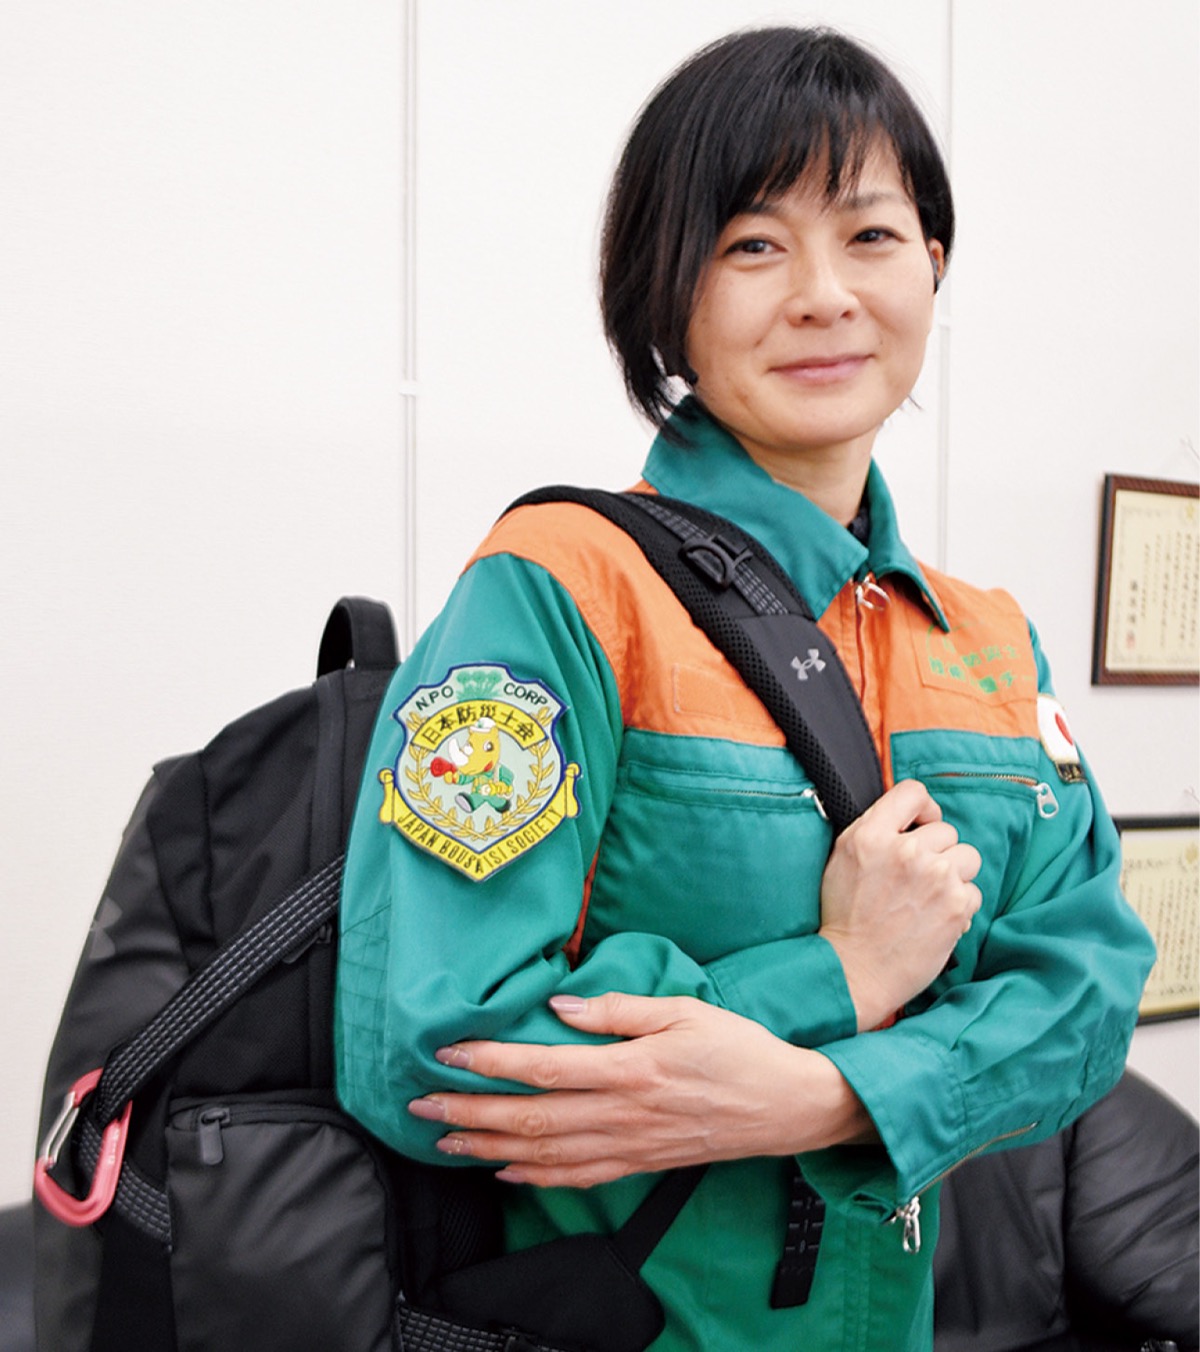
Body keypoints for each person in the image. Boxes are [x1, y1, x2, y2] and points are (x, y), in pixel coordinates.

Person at [335, 26, 1155, 1351]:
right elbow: (436, 1050)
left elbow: (1090, 996)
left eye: (871, 235)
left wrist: (824, 1097)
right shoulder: (560, 589)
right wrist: (836, 975)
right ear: (668, 294)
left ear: (934, 264)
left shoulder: (992, 643)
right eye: (753, 245)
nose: (824, 296)